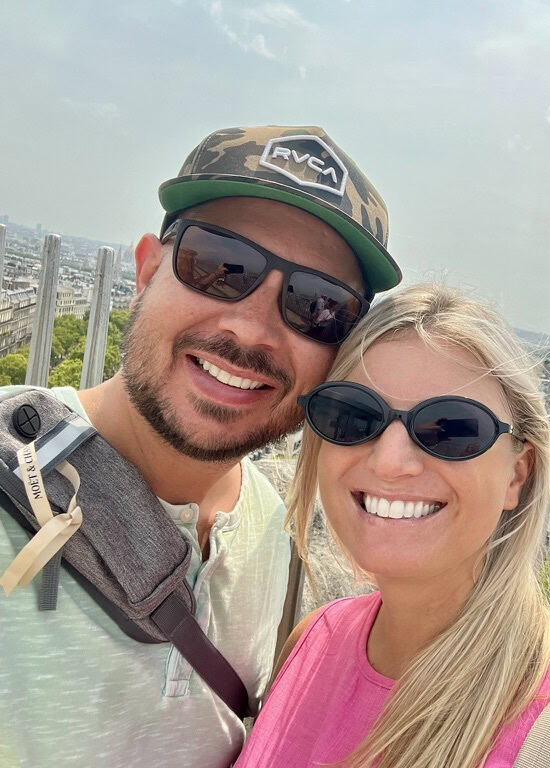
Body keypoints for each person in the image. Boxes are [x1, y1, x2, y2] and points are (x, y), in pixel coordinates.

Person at [0, 125, 401, 768]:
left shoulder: (277, 528)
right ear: (147, 269)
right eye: (220, 266)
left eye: (318, 308)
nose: (251, 327)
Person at [236, 284, 550, 768]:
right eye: (354, 415)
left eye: (453, 428)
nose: (392, 461)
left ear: (516, 475)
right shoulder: (313, 638)